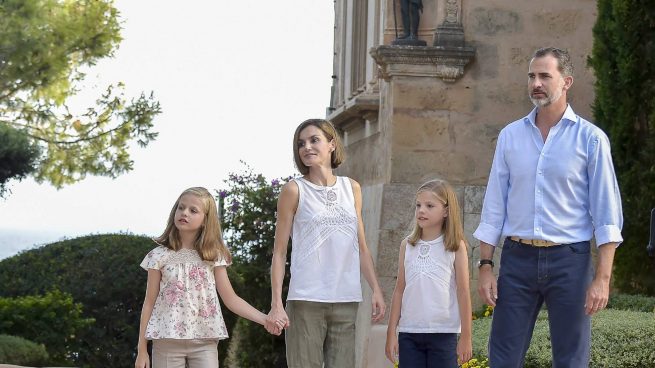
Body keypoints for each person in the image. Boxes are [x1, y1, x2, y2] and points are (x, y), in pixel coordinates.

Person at [474, 47, 623, 367]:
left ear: (566, 81)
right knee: (502, 357)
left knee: (571, 359)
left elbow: (607, 214)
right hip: (517, 260)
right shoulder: (510, 137)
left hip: (569, 260)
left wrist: (603, 278)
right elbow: (494, 205)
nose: (536, 83)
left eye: (545, 76)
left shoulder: (591, 139)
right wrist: (485, 265)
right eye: (531, 76)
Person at [267, 119, 386, 368]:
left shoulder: (351, 188)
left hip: (346, 298)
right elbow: (279, 253)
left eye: (314, 140)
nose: (306, 147)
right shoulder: (293, 190)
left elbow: (361, 245)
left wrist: (375, 288)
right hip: (305, 300)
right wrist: (276, 304)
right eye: (301, 143)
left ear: (332, 144)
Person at [135, 187, 282, 368]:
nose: (184, 213)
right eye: (181, 208)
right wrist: (142, 350)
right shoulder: (157, 256)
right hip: (167, 341)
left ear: (205, 220)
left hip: (204, 342)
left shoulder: (214, 256)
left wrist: (265, 319)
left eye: (193, 210)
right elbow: (149, 302)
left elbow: (231, 299)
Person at [385, 179, 472, 367]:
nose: (421, 210)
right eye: (418, 205)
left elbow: (463, 292)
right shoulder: (407, 245)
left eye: (429, 206)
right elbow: (399, 290)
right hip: (409, 333)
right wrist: (391, 333)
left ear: (446, 211)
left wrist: (466, 336)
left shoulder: (456, 247)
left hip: (443, 333)